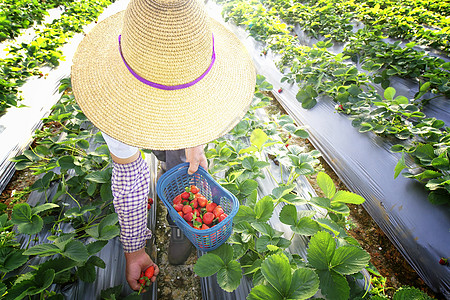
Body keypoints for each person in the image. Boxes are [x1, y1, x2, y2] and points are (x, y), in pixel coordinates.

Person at [71, 0, 255, 292]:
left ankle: (178, 223)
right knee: (157, 150)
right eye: (163, 110)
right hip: (129, 97)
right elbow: (129, 172)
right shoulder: (114, 98)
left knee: (181, 160)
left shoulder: (190, 37)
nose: (170, 116)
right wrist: (133, 248)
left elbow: (197, 106)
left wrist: (196, 143)